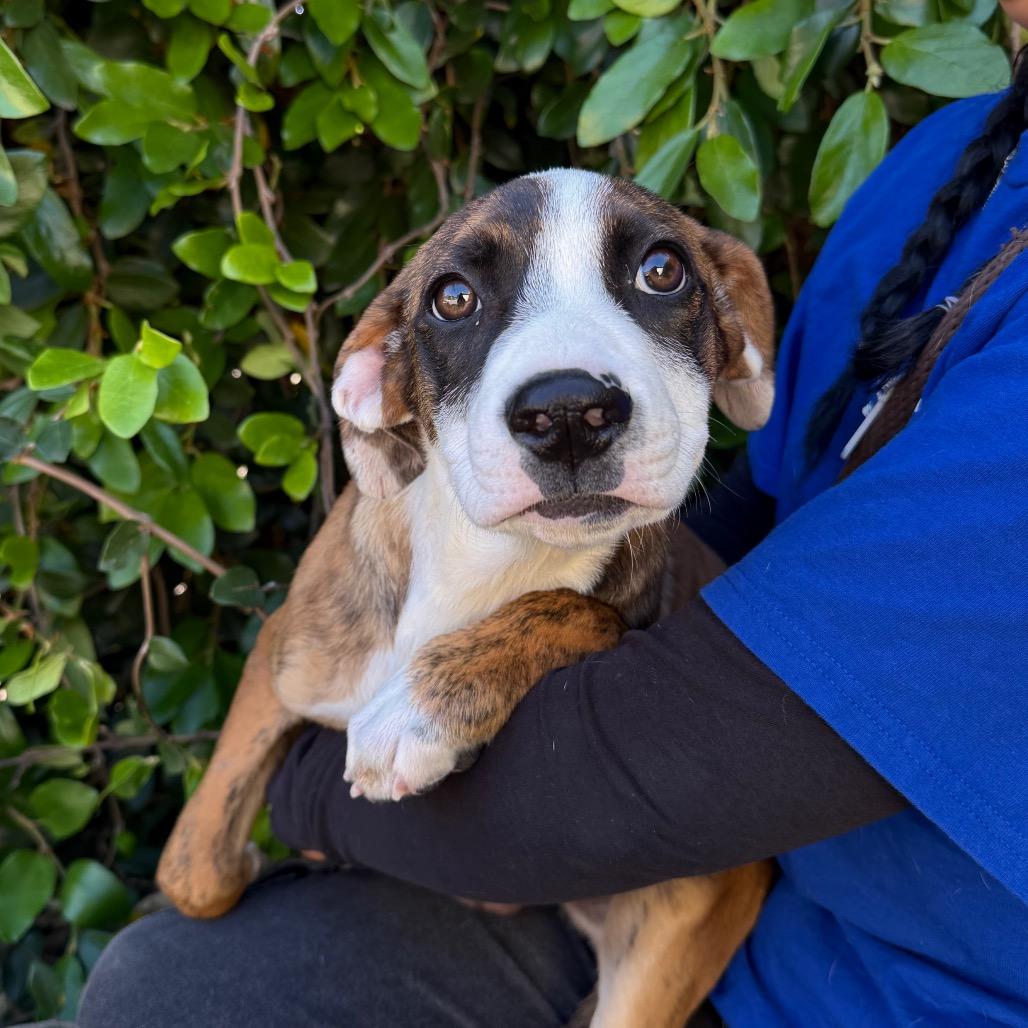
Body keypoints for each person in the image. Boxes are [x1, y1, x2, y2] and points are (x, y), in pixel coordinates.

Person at [77, 30, 1028, 1028]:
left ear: (727, 334)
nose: (566, 404)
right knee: (171, 984)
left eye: (658, 277)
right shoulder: (948, 159)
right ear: (377, 392)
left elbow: (644, 783)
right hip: (621, 853)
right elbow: (763, 501)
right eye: (459, 296)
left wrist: (308, 792)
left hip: (827, 955)